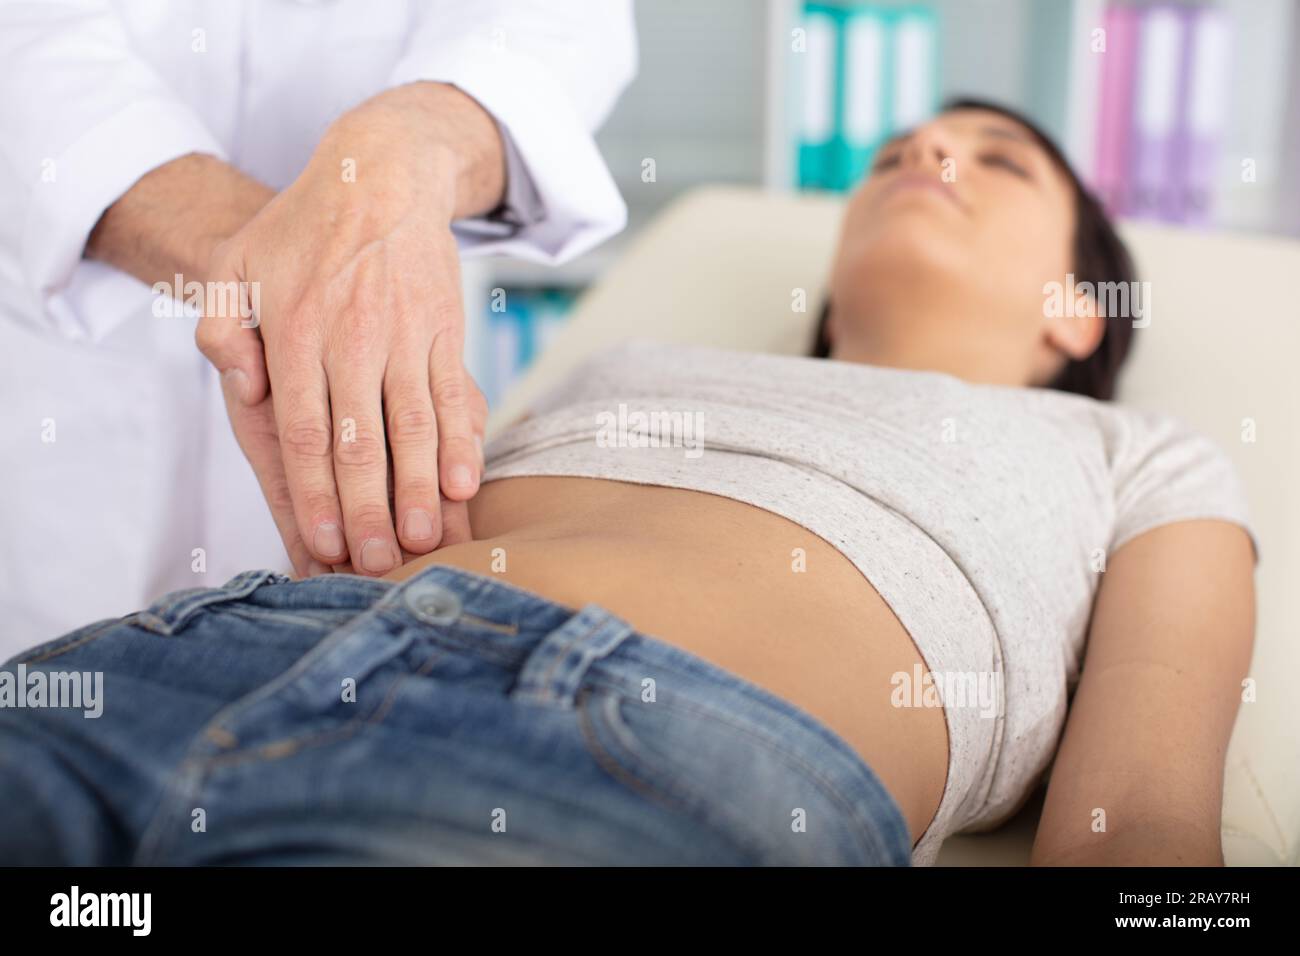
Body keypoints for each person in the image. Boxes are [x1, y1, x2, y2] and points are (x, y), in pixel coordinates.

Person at [0, 100, 1258, 867]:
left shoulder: (1134, 458)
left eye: (1000, 160)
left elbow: (1137, 834)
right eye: (903, 151)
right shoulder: (633, 358)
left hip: (640, 751)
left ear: (1081, 312)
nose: (929, 147)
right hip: (200, 654)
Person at [0, 0, 637, 647]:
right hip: (65, 414)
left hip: (376, 344)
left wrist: (409, 142)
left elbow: (561, 20)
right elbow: (24, 47)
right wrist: (315, 277)